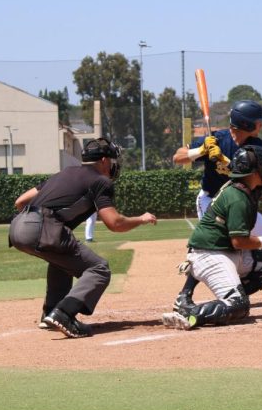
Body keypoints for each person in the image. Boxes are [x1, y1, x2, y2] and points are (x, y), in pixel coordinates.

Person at [9, 137, 157, 338]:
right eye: (113, 161)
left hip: (17, 226)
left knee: (62, 261)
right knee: (99, 269)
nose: (114, 166)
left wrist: (38, 222)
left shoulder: (64, 173)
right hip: (40, 227)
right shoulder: (100, 181)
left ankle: (50, 313)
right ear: (104, 161)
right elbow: (114, 223)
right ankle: (65, 313)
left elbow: (20, 201)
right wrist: (141, 218)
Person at [171, 99, 262, 310]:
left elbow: (261, 189)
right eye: (258, 122)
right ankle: (185, 294)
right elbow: (177, 157)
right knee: (213, 245)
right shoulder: (216, 139)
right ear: (246, 124)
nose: (261, 126)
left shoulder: (256, 146)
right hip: (212, 201)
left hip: (241, 201)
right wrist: (201, 151)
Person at [162, 145, 262, 330]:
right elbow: (239, 241)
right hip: (210, 255)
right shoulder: (238, 197)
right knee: (240, 305)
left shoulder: (245, 188)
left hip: (223, 252)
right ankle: (190, 314)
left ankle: (229, 297)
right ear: (253, 171)